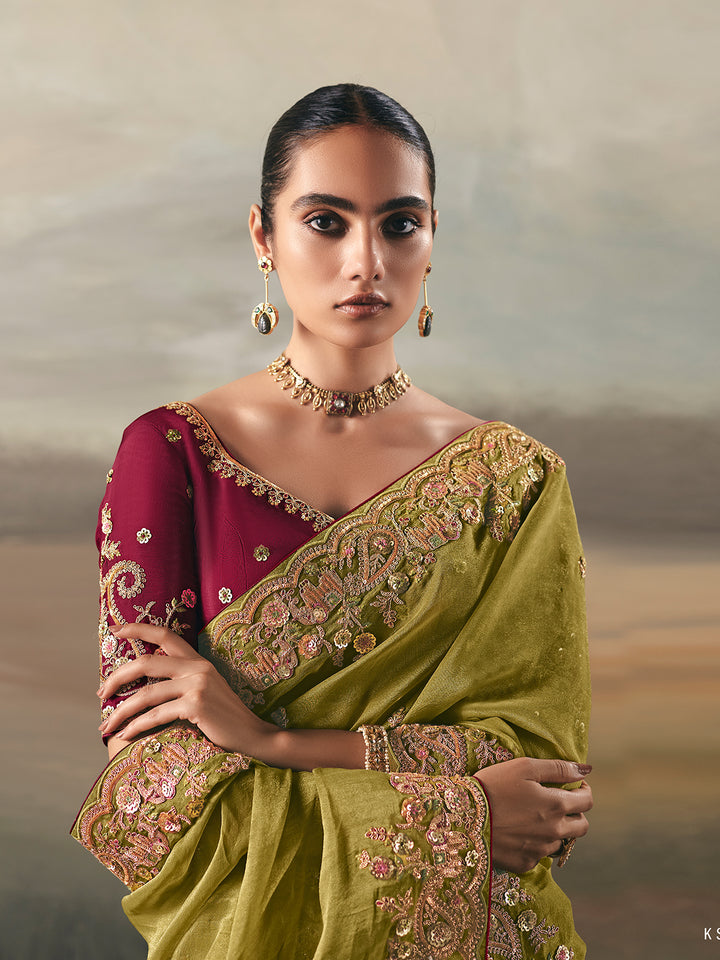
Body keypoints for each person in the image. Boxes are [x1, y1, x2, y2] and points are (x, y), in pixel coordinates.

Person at [72, 83, 592, 960]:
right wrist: (463, 815)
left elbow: (543, 784)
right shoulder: (175, 456)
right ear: (262, 236)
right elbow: (153, 798)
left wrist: (267, 739)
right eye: (325, 221)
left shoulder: (513, 480)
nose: (367, 260)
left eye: (399, 223)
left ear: (433, 241)